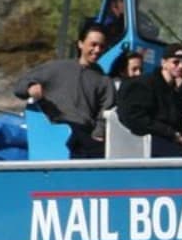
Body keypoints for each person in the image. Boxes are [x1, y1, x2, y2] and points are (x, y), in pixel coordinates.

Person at [13, 26, 119, 159]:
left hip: (85, 132)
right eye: (93, 44)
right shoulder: (57, 68)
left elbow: (106, 111)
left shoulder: (105, 81)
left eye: (101, 46)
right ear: (80, 44)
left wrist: (99, 132)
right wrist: (30, 88)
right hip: (55, 127)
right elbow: (19, 86)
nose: (97, 50)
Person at [116, 44, 182, 156]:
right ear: (163, 63)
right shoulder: (144, 84)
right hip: (149, 143)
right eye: (175, 62)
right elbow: (134, 117)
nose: (181, 66)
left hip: (170, 141)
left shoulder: (176, 91)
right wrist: (170, 133)